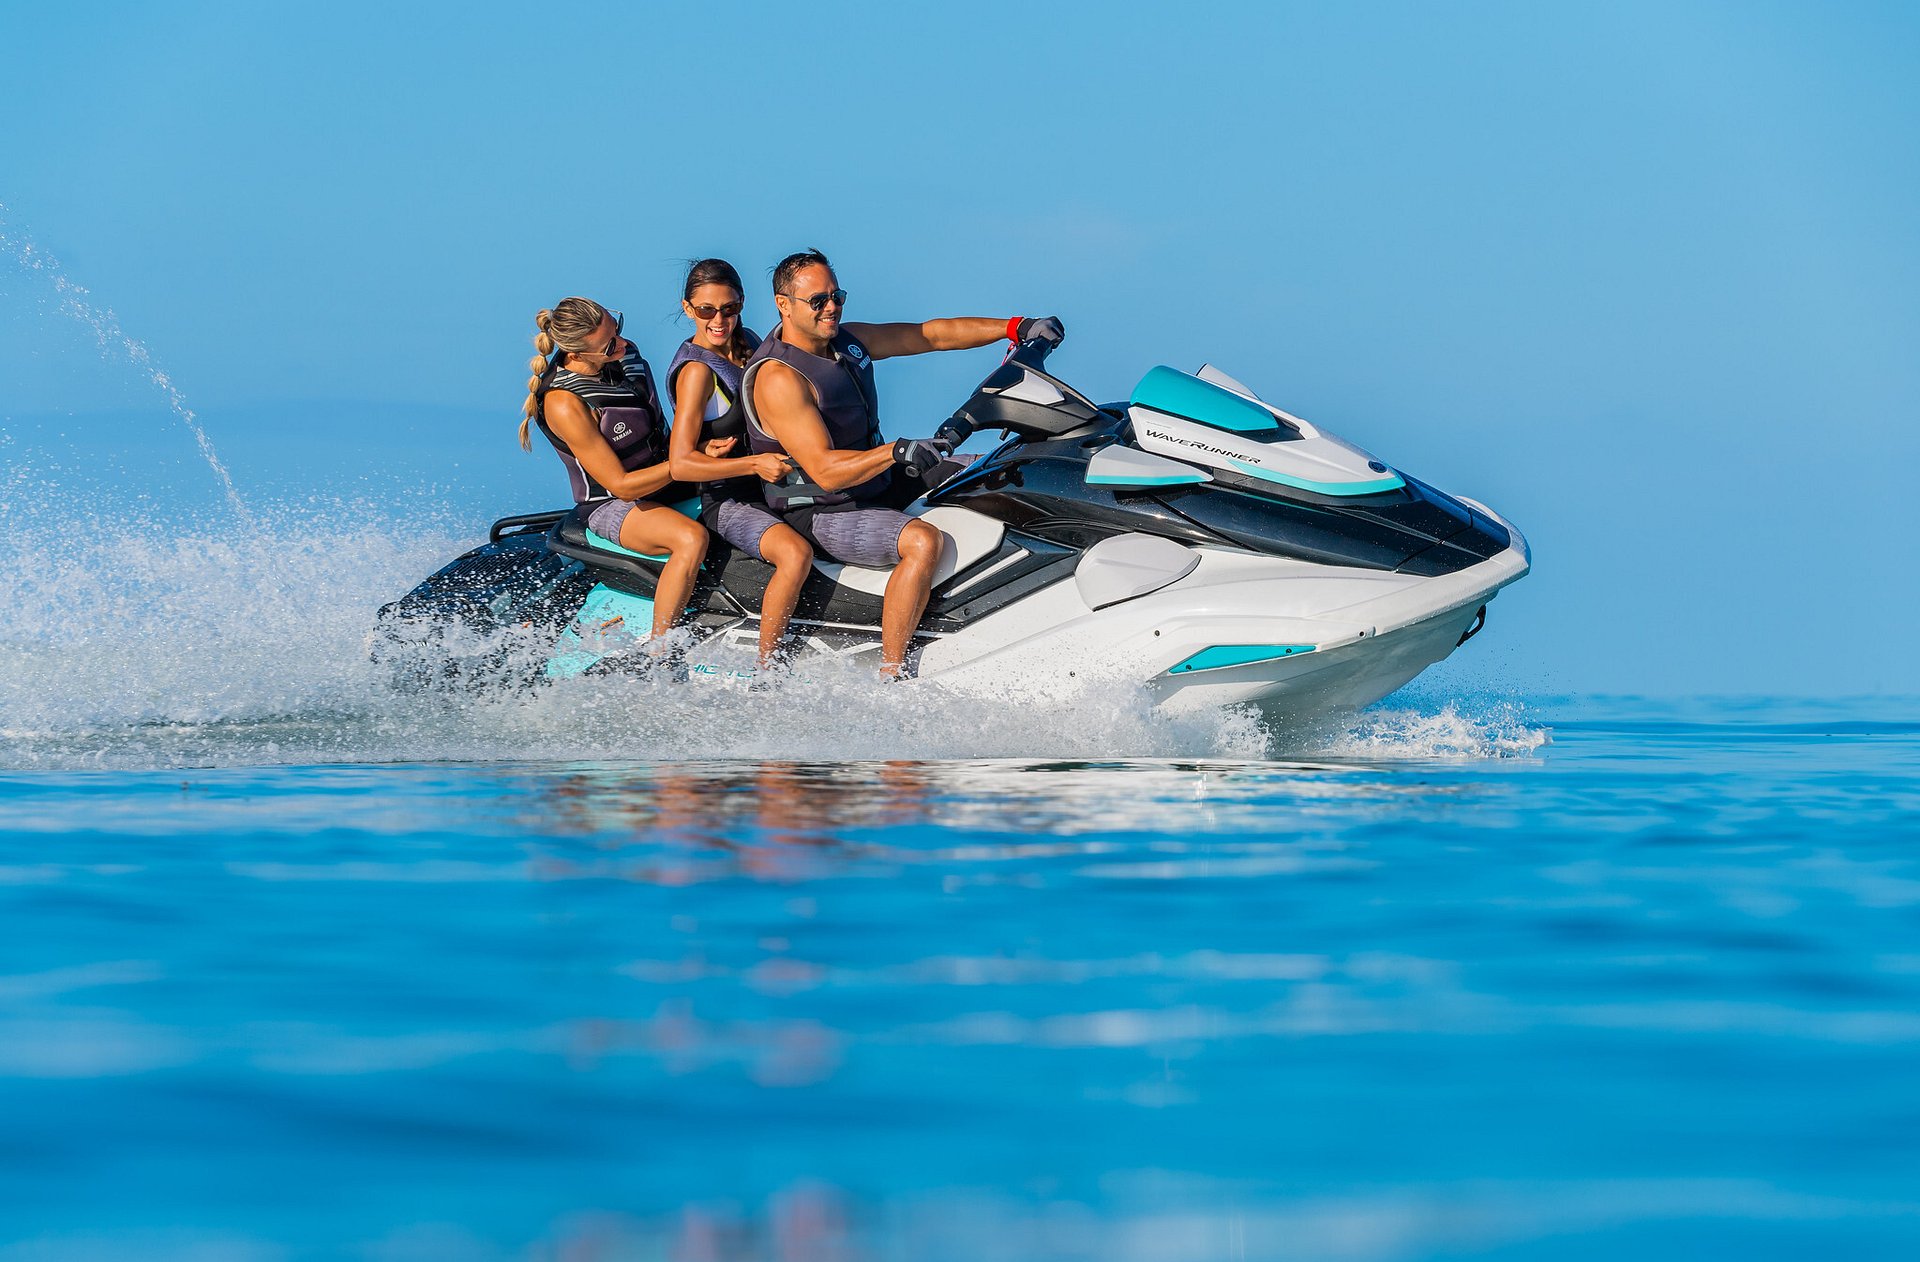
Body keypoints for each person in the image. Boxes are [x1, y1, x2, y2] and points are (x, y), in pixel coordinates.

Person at [742, 248, 1063, 677]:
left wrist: (1014, 327)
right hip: (822, 509)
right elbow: (825, 471)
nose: (831, 307)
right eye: (818, 300)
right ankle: (892, 675)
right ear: (784, 304)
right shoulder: (779, 377)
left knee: (997, 467)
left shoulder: (847, 341)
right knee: (922, 543)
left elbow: (930, 335)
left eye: (837, 296)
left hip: (877, 480)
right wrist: (894, 451)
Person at [519, 296, 707, 646]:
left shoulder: (624, 354)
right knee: (690, 539)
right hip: (613, 505)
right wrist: (687, 463)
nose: (621, 344)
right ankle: (660, 649)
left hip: (670, 480)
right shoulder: (565, 403)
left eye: (617, 329)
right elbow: (621, 486)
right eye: (608, 345)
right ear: (576, 354)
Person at [663, 259, 812, 667]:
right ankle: (768, 669)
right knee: (794, 554)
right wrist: (753, 465)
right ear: (688, 309)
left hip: (775, 485)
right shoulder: (697, 372)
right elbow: (681, 464)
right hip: (728, 499)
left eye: (729, 308)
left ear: (741, 303)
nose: (719, 320)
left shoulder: (749, 342)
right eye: (706, 310)